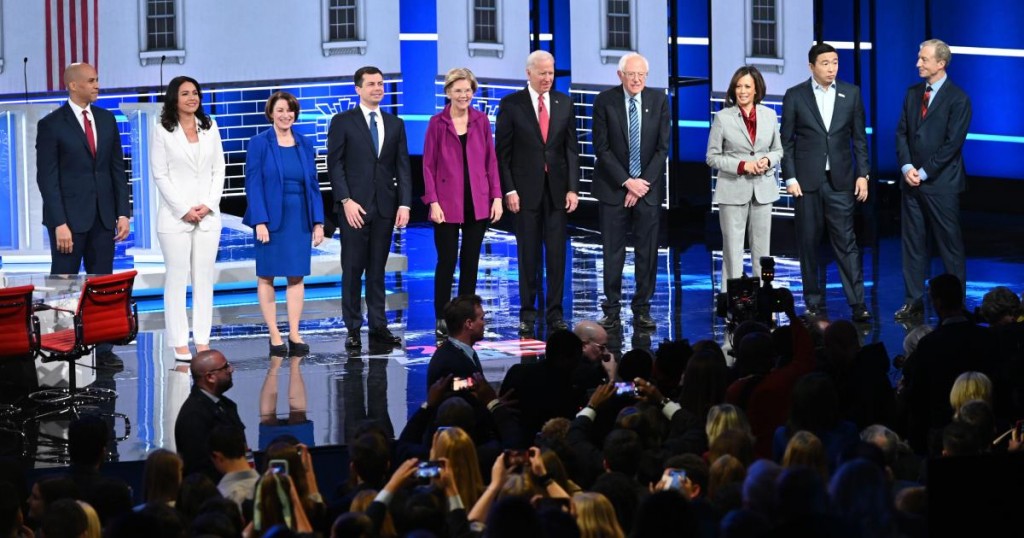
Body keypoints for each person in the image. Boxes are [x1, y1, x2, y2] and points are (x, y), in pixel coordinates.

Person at [35, 62, 129, 367]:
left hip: (104, 217)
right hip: (68, 222)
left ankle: (101, 346)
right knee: (63, 283)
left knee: (102, 282)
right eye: (91, 81)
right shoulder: (51, 125)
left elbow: (117, 168)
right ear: (73, 85)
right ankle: (58, 345)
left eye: (97, 80)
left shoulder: (106, 119)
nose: (97, 85)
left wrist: (123, 213)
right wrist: (59, 222)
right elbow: (47, 179)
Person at [781, 43, 871, 322]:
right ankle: (813, 301)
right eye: (825, 63)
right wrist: (791, 177)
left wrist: (863, 174)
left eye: (835, 62)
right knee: (807, 243)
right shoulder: (795, 95)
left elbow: (859, 139)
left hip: (841, 181)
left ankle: (857, 303)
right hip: (806, 183)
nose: (831, 68)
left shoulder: (851, 94)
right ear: (811, 67)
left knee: (847, 243)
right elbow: (786, 142)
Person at [495, 50, 580, 337]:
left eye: (551, 73)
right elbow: (502, 154)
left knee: (557, 255)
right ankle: (528, 313)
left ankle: (555, 313)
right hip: (524, 192)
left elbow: (571, 150)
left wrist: (572, 188)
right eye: (542, 73)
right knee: (527, 255)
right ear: (528, 73)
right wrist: (509, 189)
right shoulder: (511, 105)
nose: (547, 78)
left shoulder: (564, 103)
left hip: (557, 191)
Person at [328, 66, 412, 351]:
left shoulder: (395, 123)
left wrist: (404, 203)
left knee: (378, 271)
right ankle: (352, 328)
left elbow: (402, 167)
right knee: (352, 270)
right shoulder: (343, 121)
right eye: (371, 84)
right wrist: (345, 201)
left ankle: (379, 325)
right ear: (358, 89)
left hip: (385, 208)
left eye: (380, 83)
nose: (377, 88)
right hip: (354, 208)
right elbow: (334, 164)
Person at [591, 52, 671, 331]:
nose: (637, 79)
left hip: (647, 190)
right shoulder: (605, 101)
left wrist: (641, 184)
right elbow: (601, 148)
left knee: (646, 252)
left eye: (642, 75)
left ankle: (642, 308)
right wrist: (627, 182)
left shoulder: (659, 99)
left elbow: (662, 148)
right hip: (614, 189)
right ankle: (611, 310)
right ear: (620, 76)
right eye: (631, 74)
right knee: (612, 251)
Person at [422, 67, 503, 338]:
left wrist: (497, 197)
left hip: (477, 202)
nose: (463, 95)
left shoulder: (480, 120)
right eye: (458, 90)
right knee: (446, 261)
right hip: (446, 203)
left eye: (467, 90)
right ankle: (442, 317)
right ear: (448, 92)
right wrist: (432, 201)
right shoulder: (437, 123)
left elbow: (491, 161)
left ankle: (467, 319)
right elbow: (428, 166)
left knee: (471, 262)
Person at [150, 76, 226, 362]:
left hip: (207, 216)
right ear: (174, 99)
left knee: (204, 279)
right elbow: (160, 174)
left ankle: (203, 339)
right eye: (185, 94)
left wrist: (207, 204)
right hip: (175, 218)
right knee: (177, 279)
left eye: (195, 93)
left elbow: (219, 168)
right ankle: (179, 341)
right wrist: (184, 209)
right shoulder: (162, 131)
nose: (192, 98)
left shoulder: (210, 126)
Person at [894, 39, 972, 320]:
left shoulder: (958, 98)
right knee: (912, 243)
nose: (918, 63)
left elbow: (952, 145)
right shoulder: (912, 93)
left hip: (941, 184)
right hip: (911, 182)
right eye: (919, 58)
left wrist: (924, 171)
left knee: (950, 247)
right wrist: (906, 167)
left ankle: (956, 305)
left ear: (941, 63)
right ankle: (913, 300)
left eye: (924, 59)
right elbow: (902, 132)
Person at [244, 91, 326, 357]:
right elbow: (253, 183)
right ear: (271, 113)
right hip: (270, 218)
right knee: (267, 275)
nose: (285, 115)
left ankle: (294, 332)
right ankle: (274, 334)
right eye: (280, 110)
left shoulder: (304, 143)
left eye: (289, 110)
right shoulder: (259, 143)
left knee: (296, 275)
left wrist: (318, 222)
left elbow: (313, 185)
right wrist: (260, 221)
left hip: (299, 217)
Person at [706, 65, 782, 283]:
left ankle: (762, 302)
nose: (742, 91)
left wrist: (768, 160)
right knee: (732, 250)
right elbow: (712, 157)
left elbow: (778, 150)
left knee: (762, 249)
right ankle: (732, 303)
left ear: (756, 89)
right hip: (732, 189)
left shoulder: (769, 115)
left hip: (763, 190)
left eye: (747, 86)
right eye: (738, 86)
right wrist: (742, 166)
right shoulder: (722, 117)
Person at [174, 350, 245, 479]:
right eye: (225, 367)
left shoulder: (227, 405)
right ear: (210, 377)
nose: (231, 369)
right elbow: (199, 467)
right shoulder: (193, 416)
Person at [426, 295, 486, 388]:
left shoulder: (462, 353)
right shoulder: (451, 364)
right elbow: (469, 398)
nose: (484, 323)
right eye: (481, 319)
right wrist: (492, 402)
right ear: (469, 324)